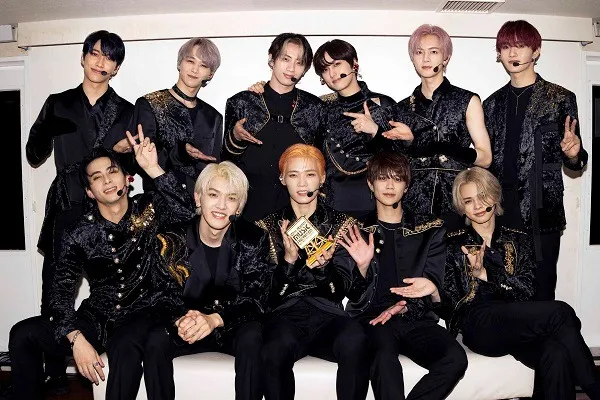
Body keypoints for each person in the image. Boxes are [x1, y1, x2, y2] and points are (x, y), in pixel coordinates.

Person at [9, 129, 195, 400]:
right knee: (23, 334)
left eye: (112, 172)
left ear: (127, 178)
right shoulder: (79, 231)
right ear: (89, 192)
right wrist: (75, 337)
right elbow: (59, 292)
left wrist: (152, 167)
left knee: (126, 344)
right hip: (99, 317)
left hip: (146, 313)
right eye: (97, 177)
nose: (107, 180)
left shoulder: (150, 207)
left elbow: (187, 213)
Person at [398, 166, 600, 400]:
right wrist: (446, 286)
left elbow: (527, 291)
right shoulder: (453, 244)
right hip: (478, 324)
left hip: (517, 321)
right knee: (560, 312)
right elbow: (449, 304)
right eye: (469, 201)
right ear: (462, 207)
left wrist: (486, 273)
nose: (477, 206)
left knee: (555, 353)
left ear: (495, 196)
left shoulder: (517, 239)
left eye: (483, 196)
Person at [25, 29, 133, 391]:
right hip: (67, 202)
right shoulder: (58, 102)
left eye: (110, 58)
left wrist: (125, 155)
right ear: (84, 57)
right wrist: (46, 130)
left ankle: (112, 357)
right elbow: (34, 154)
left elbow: (140, 162)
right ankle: (54, 372)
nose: (101, 63)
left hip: (108, 210)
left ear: (116, 68)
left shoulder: (126, 111)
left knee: (116, 284)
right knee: (54, 289)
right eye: (96, 54)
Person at [344, 151, 467, 400]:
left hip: (415, 317)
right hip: (373, 319)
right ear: (370, 184)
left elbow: (440, 295)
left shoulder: (430, 229)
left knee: (455, 359)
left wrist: (427, 291)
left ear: (407, 186)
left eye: (397, 179)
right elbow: (350, 295)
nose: (390, 185)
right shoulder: (355, 231)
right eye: (382, 178)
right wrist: (362, 266)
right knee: (383, 359)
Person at [483, 20, 588, 300]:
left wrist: (573, 154)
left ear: (536, 51)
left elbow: (576, 160)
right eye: (506, 47)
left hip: (542, 211)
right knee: (503, 289)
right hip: (500, 212)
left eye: (520, 46)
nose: (513, 53)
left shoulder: (560, 98)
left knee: (542, 291)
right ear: (499, 54)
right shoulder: (491, 105)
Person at [256, 144, 371, 400]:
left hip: (328, 315)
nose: (302, 183)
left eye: (310, 174)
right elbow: (266, 298)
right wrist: (288, 261)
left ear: (322, 178)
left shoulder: (343, 226)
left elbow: (341, 292)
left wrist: (324, 269)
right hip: (284, 316)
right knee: (273, 350)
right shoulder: (265, 227)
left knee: (356, 339)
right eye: (293, 174)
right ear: (282, 179)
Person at [159, 161, 274, 400]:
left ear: (239, 207)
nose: (221, 205)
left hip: (231, 325)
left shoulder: (254, 238)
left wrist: (215, 319)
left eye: (231, 198)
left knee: (252, 335)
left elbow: (257, 298)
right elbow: (160, 293)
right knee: (155, 339)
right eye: (213, 195)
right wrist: (181, 319)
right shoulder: (172, 238)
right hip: (189, 325)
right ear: (198, 197)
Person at [387, 24, 492, 228]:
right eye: (419, 52)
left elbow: (486, 158)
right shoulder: (401, 108)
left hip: (455, 197)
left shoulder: (466, 100)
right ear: (412, 58)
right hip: (413, 202)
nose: (426, 59)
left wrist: (441, 147)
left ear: (446, 58)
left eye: (434, 52)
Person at [222, 33, 323, 222]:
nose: (291, 68)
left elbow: (320, 164)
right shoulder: (242, 102)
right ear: (272, 59)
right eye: (286, 59)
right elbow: (226, 163)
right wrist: (235, 137)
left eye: (299, 63)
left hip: (295, 210)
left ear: (305, 69)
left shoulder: (314, 108)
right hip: (248, 206)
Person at [313, 39, 400, 218]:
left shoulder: (382, 104)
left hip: (376, 203)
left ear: (354, 63)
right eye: (325, 69)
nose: (332, 73)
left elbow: (401, 159)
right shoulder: (321, 109)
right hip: (333, 203)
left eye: (337, 64)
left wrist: (375, 132)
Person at [130, 37, 223, 195]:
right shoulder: (150, 104)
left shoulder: (213, 117)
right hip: (160, 198)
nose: (195, 70)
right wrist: (181, 152)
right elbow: (140, 159)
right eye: (190, 61)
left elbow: (215, 167)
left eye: (203, 65)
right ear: (179, 63)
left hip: (200, 202)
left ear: (210, 74)